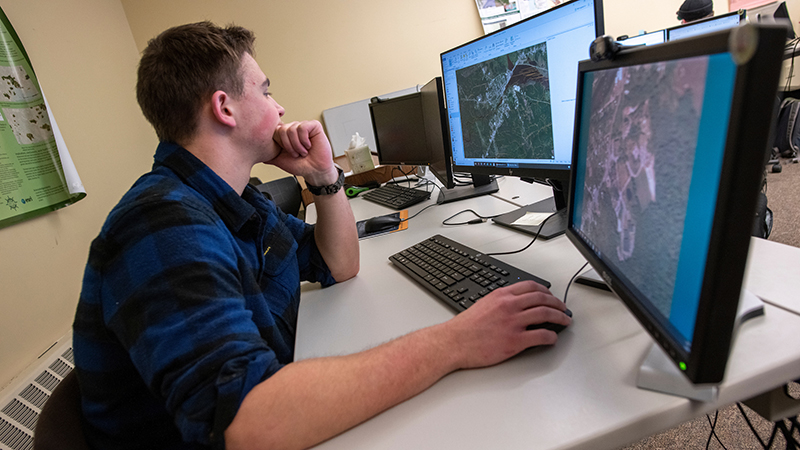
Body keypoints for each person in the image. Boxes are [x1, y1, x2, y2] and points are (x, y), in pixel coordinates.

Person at [72, 21, 571, 450]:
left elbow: (337, 264)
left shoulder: (237, 198)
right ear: (225, 108)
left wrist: (324, 177)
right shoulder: (161, 222)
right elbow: (250, 423)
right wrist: (456, 342)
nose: (281, 106)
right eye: (266, 91)